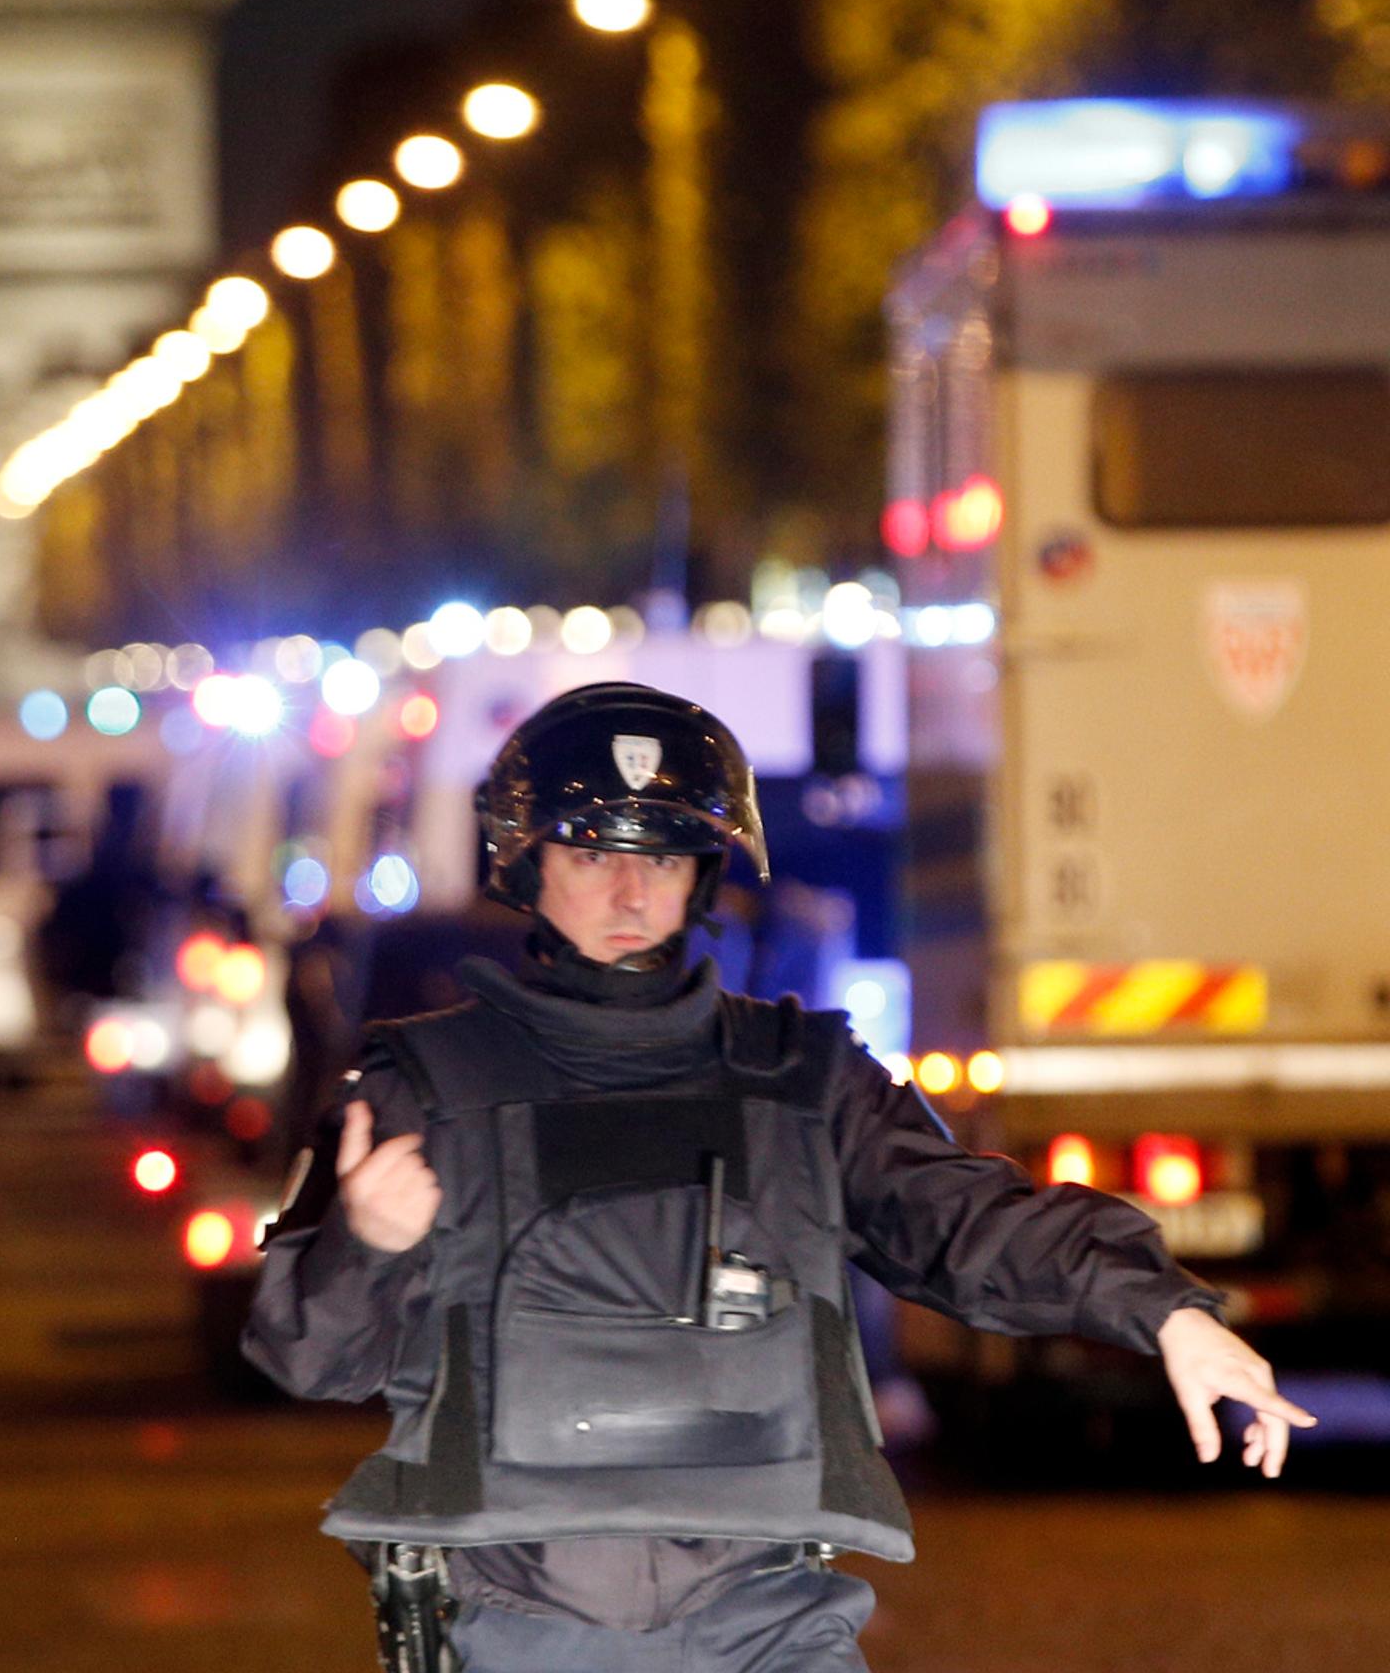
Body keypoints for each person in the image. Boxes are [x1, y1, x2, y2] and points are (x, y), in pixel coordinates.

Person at [242, 682, 1315, 1672]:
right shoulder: (426, 1086)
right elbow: (306, 1354)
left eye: (661, 859)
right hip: (522, 1621)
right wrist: (368, 1244)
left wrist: (1165, 1312)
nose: (628, 890)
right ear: (526, 866)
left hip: (764, 1619)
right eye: (592, 855)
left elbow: (962, 1217)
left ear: (705, 876)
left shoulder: (804, 1079)